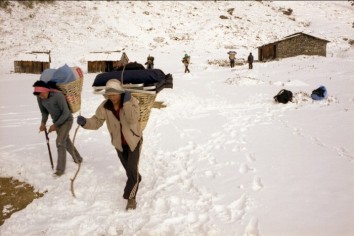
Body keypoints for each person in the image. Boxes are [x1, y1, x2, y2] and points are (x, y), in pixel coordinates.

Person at [76, 79, 142, 211]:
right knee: (130, 169)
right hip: (119, 144)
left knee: (131, 173)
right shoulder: (104, 107)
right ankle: (136, 176)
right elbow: (97, 121)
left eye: (114, 94)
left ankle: (131, 198)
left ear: (120, 92)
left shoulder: (132, 101)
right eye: (109, 94)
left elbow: (132, 119)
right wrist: (85, 123)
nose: (111, 97)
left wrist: (127, 102)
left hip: (134, 141)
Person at [33, 80, 83, 176]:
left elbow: (66, 113)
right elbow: (44, 112)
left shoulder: (58, 96)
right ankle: (78, 158)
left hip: (67, 120)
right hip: (57, 122)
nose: (40, 96)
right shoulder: (40, 98)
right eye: (38, 95)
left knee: (60, 142)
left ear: (46, 90)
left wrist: (55, 125)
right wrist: (43, 123)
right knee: (65, 141)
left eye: (41, 94)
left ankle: (60, 170)